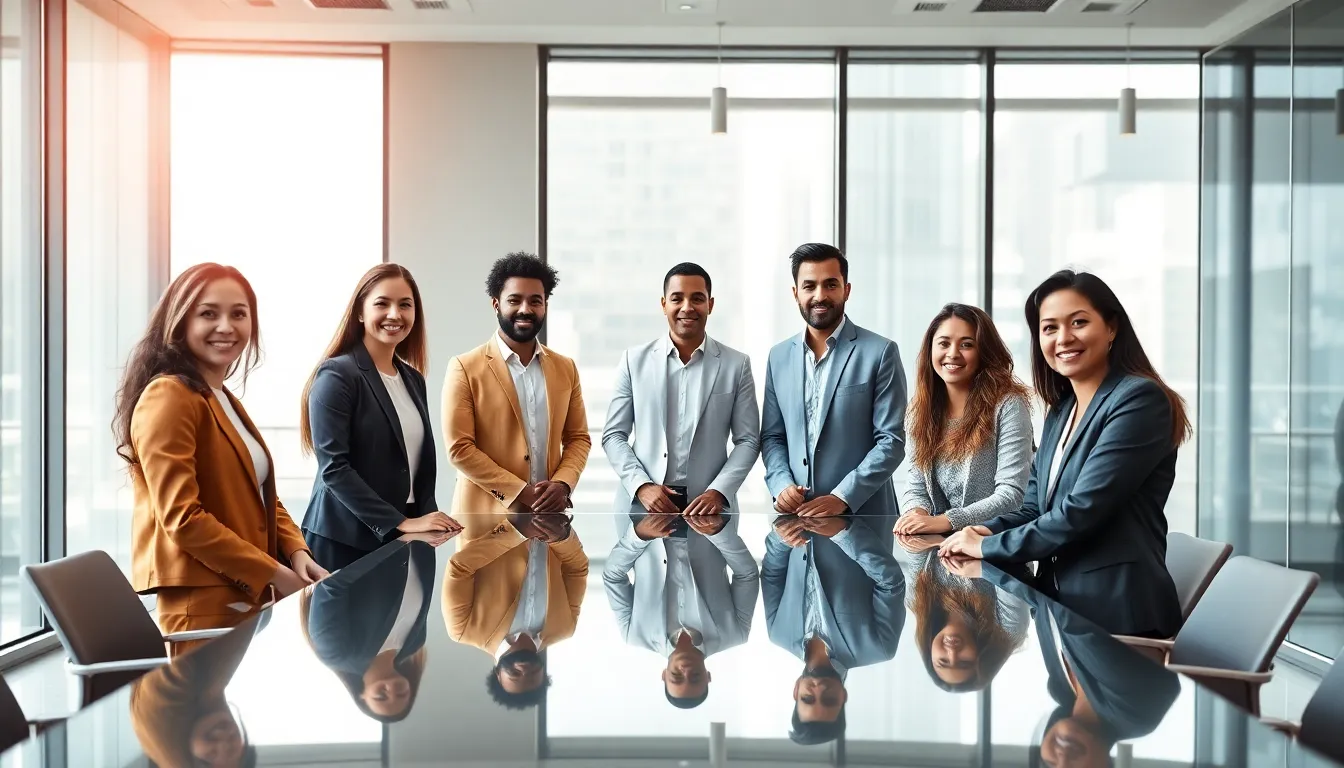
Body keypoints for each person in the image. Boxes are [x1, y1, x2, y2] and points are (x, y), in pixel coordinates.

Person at [940, 269, 1189, 638]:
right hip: (1059, 604)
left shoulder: (1139, 400)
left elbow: (1080, 513)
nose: (1064, 338)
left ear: (1112, 327)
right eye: (1049, 327)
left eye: (1079, 322)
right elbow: (1034, 506)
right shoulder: (1062, 409)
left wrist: (988, 546)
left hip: (1117, 616)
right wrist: (984, 529)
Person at [114, 263, 326, 637]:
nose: (226, 326)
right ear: (180, 321)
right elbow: (183, 519)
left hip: (245, 597)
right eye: (209, 313)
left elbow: (259, 496)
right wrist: (273, 572)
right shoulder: (169, 396)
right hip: (203, 609)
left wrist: (297, 552)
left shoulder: (220, 396)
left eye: (239, 314)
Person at [441, 251, 592, 710]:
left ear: (545, 304)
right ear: (496, 303)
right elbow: (458, 448)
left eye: (536, 300)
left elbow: (579, 437)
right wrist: (520, 492)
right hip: (486, 522)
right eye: (515, 300)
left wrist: (562, 485)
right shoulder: (466, 366)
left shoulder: (564, 367)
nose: (526, 309)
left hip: (552, 522)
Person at [299, 263, 460, 571]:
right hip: (344, 542)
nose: (394, 314)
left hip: (402, 537)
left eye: (405, 305)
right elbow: (334, 468)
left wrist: (425, 519)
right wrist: (400, 522)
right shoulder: (337, 375)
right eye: (382, 304)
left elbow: (415, 463)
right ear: (360, 312)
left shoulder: (413, 379)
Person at [761, 243, 907, 532]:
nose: (819, 296)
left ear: (846, 290)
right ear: (795, 294)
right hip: (796, 526)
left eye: (830, 285)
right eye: (809, 286)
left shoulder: (880, 352)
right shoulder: (778, 357)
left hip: (863, 522)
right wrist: (782, 485)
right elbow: (773, 436)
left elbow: (891, 441)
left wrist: (842, 497)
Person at [602, 262, 760, 521]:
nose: (687, 307)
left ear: (710, 304)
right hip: (643, 510)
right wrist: (641, 486)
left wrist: (719, 492)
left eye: (697, 298)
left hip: (710, 511)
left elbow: (749, 440)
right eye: (677, 298)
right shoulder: (633, 360)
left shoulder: (736, 364)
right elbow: (613, 435)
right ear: (664, 304)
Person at [765, 515, 905, 745]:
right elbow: (891, 584)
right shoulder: (879, 648)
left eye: (808, 698)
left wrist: (781, 538)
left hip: (797, 507)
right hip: (861, 512)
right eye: (829, 700)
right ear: (843, 698)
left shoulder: (778, 634)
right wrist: (844, 533)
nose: (819, 689)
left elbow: (771, 572)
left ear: (795, 692)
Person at [895, 303, 1033, 536]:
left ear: (984, 352)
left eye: (967, 345)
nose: (953, 353)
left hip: (995, 546)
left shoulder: (1009, 405)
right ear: (931, 349)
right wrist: (915, 513)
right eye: (944, 343)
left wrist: (947, 521)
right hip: (940, 549)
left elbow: (1012, 495)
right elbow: (916, 486)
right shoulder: (919, 410)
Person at [602, 511, 759, 709]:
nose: (685, 670)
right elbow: (747, 575)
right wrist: (718, 532)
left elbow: (612, 577)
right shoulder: (736, 634)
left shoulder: (634, 634)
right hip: (707, 511)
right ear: (708, 676)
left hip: (644, 513)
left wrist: (639, 535)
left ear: (664, 675)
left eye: (676, 677)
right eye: (695, 677)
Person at [302, 540, 437, 723]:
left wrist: (399, 540)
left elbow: (330, 585)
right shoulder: (415, 642)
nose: (391, 691)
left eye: (381, 697)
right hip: (416, 528)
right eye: (401, 695)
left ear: (362, 696)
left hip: (358, 529)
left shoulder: (336, 654)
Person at [895, 538, 1029, 692]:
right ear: (983, 658)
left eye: (943, 661)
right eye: (964, 662)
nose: (952, 653)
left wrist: (927, 529)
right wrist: (976, 564)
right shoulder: (1008, 631)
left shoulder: (918, 601)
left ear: (929, 654)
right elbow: (1010, 562)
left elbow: (915, 547)